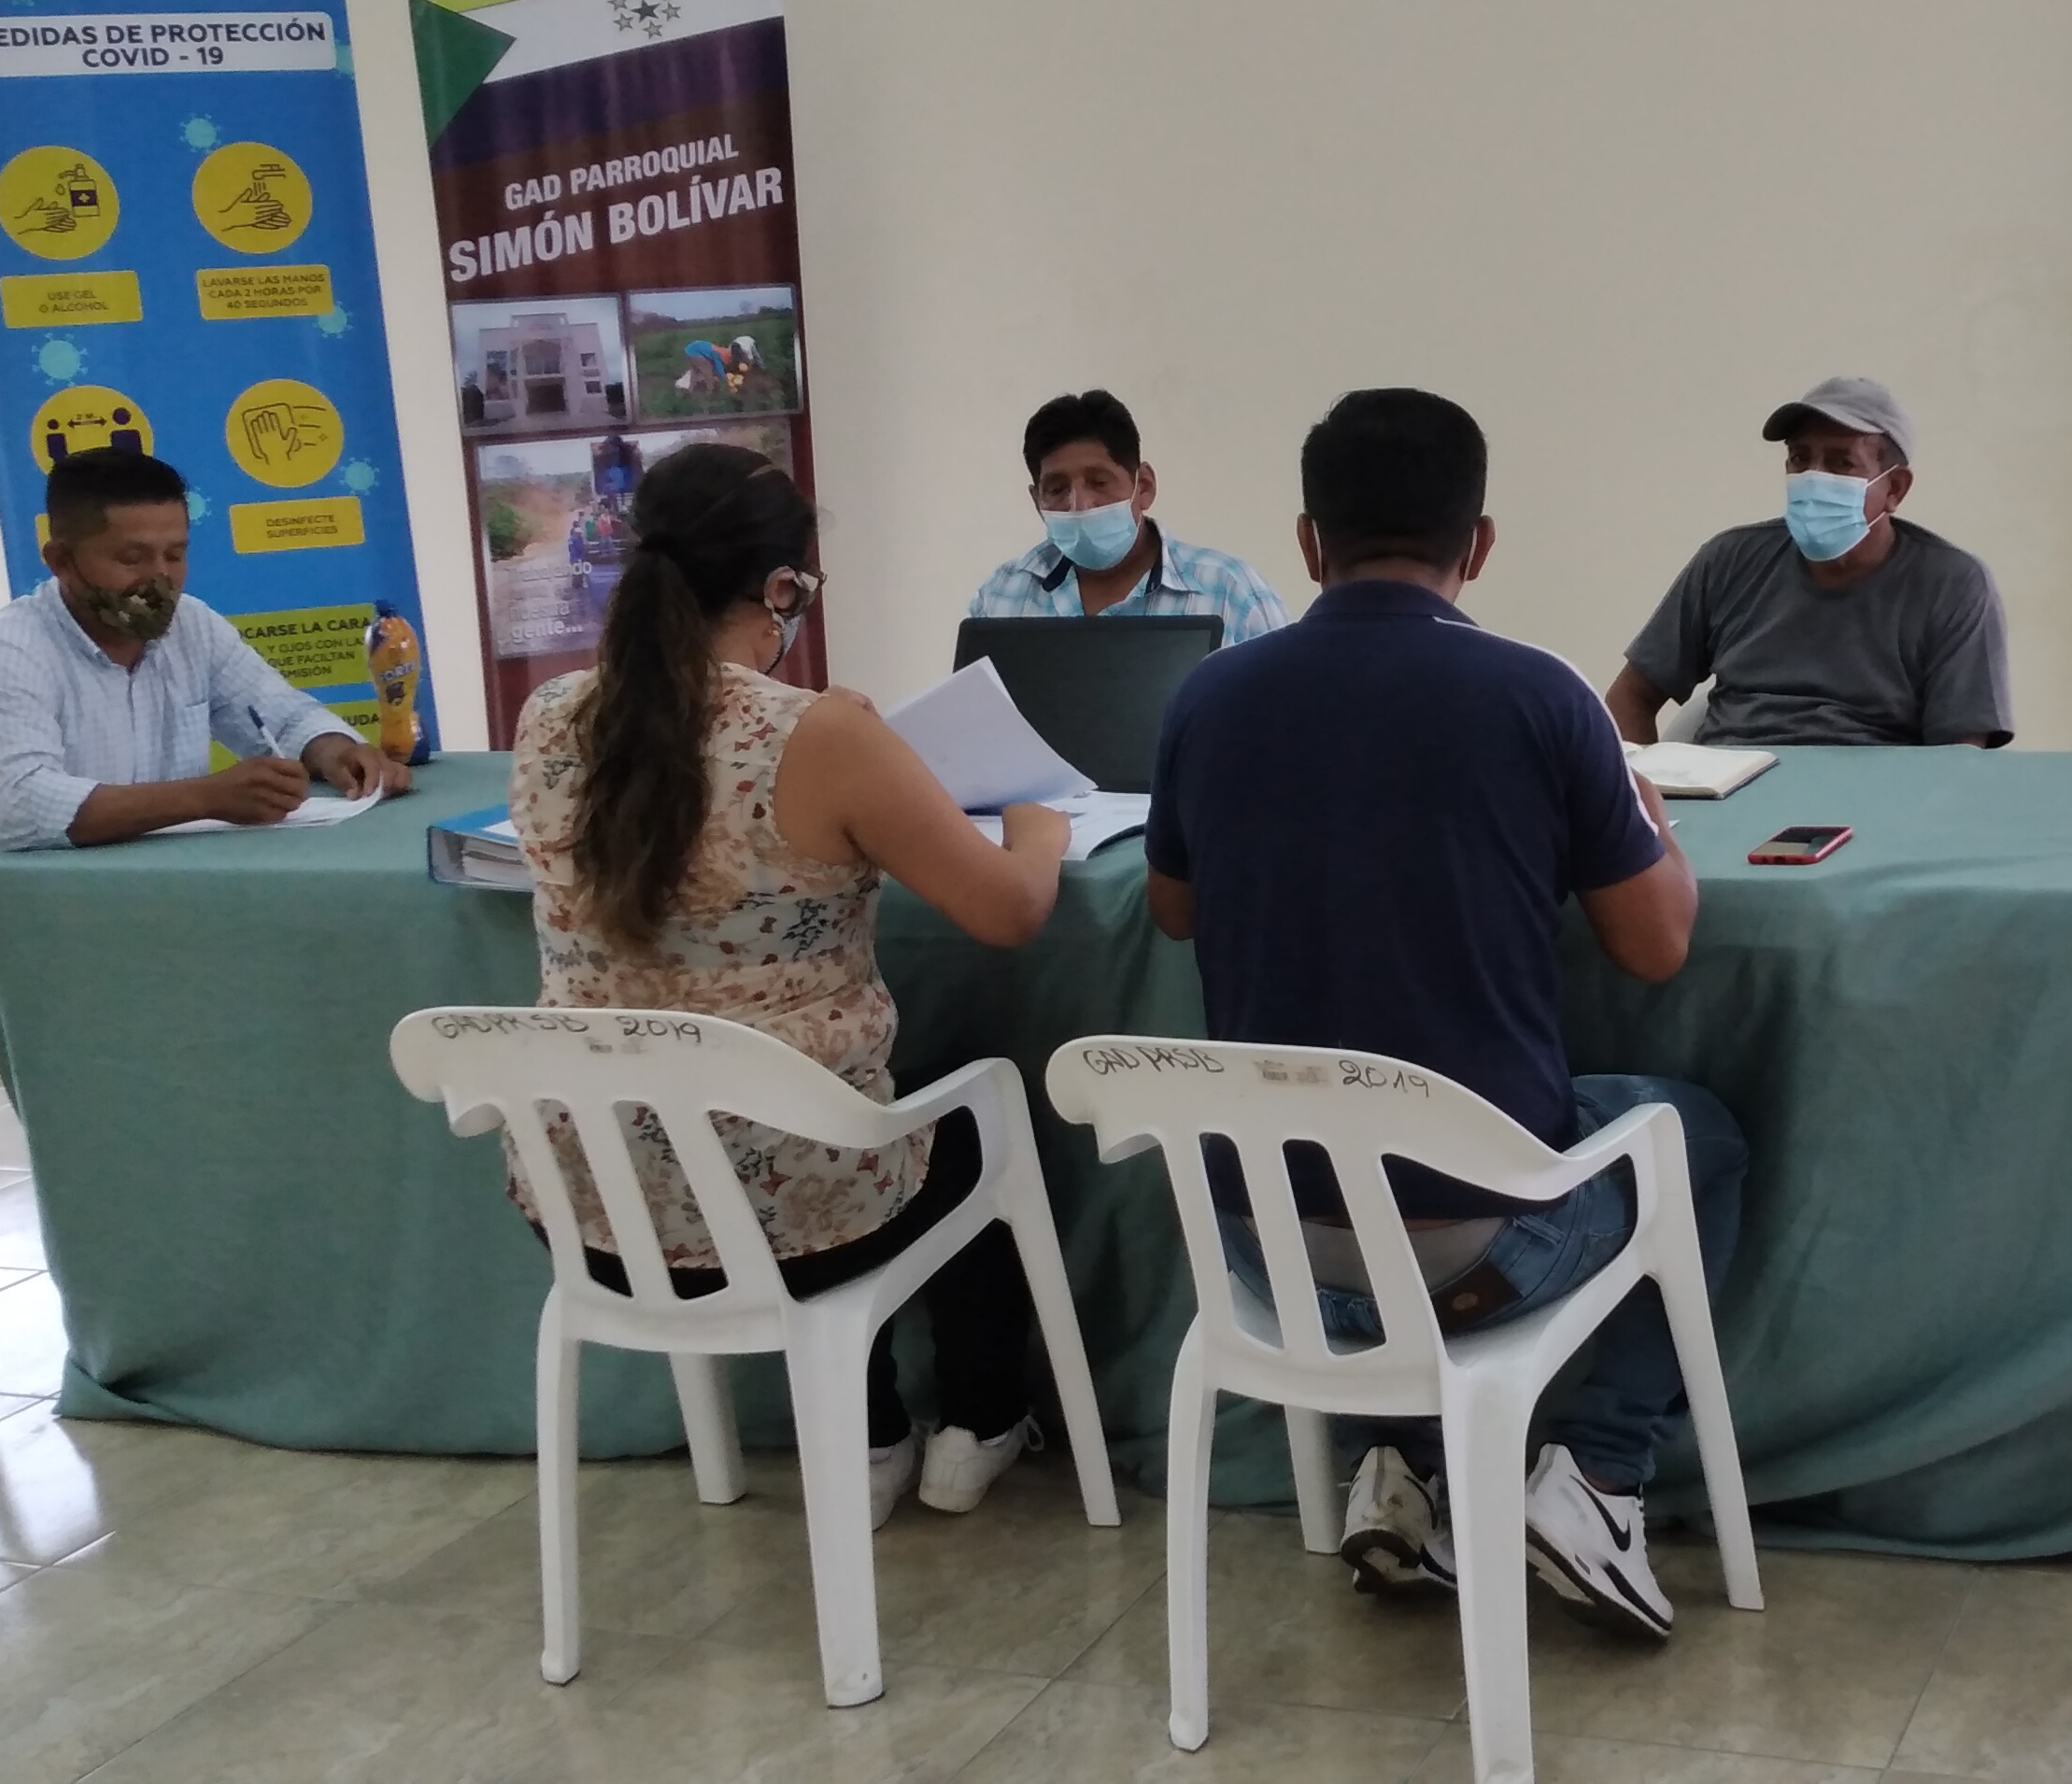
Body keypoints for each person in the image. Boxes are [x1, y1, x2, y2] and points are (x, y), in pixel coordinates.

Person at [1146, 388, 1747, 1642]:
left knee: (1349, 1128)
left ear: (1308, 541)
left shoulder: (1206, 698)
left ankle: (1399, 1470)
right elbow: (1655, 946)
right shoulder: (1541, 698)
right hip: (1485, 1258)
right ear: (1478, 545)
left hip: (1265, 1255)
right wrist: (1652, 828)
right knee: (1695, 1133)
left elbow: (1173, 911)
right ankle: (1598, 1480)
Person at [508, 443, 1077, 1526]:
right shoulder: (821, 735)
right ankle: (980, 1424)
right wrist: (1038, 832)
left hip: (592, 1214)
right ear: (779, 590)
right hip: (794, 1221)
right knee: (953, 1118)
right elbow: (1007, 912)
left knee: (813, 1119)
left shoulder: (550, 717)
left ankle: (868, 1437)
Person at [0, 448, 409, 871]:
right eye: (132, 559)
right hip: (33, 919)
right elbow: (16, 809)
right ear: (60, 560)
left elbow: (284, 716)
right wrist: (205, 797)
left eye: (175, 555)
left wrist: (336, 751)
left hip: (167, 894)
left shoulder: (192, 625)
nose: (160, 579)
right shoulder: (6, 655)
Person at [1608, 376, 2010, 748]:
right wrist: (1639, 791)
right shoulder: (1729, 560)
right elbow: (1630, 697)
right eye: (1800, 458)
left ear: (1895, 488)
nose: (1814, 477)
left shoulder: (1951, 586)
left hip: (1871, 793)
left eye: (1841, 463)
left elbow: (1959, 758)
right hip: (1732, 784)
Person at [967, 389, 1289, 639]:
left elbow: (1289, 701)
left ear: (1144, 486)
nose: (1079, 504)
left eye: (1099, 482)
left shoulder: (1231, 591)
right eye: (1056, 489)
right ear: (1037, 500)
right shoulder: (1002, 595)